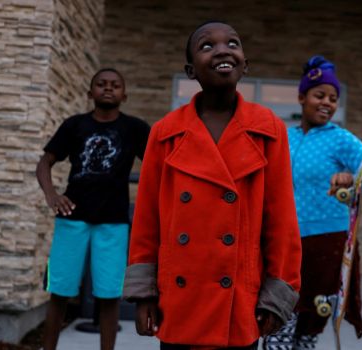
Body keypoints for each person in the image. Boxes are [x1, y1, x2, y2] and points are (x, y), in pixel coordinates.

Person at [122, 21, 302, 350]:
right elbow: (148, 220)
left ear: (245, 64)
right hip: (179, 298)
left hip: (239, 299)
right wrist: (143, 294)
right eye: (207, 45)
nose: (222, 50)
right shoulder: (165, 132)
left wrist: (277, 293)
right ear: (191, 70)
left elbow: (281, 220)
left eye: (232, 43)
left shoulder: (268, 129)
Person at [263, 56, 362, 350]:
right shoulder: (283, 137)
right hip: (284, 242)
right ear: (301, 97)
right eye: (319, 95)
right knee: (277, 323)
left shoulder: (342, 141)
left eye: (333, 98)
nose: (327, 103)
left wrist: (351, 177)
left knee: (307, 331)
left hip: (325, 246)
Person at [36, 68, 151, 350]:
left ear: (124, 95)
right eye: (101, 84)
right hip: (71, 219)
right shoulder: (75, 125)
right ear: (90, 93)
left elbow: (156, 166)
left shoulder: (135, 128)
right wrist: (52, 195)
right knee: (59, 291)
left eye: (115, 85)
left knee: (109, 294)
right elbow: (45, 163)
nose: (108, 89)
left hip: (113, 222)